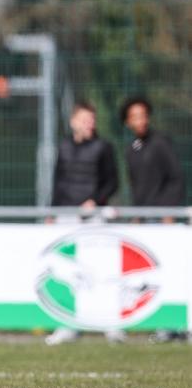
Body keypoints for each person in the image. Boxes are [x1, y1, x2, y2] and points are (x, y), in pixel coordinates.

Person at [45, 101, 122, 346]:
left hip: (94, 216)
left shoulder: (104, 147)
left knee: (100, 268)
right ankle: (68, 324)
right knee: (71, 271)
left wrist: (95, 201)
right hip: (66, 215)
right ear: (73, 121)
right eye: (85, 119)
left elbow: (113, 182)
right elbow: (58, 180)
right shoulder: (65, 146)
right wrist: (52, 211)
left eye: (93, 120)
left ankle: (111, 325)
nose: (90, 124)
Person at [121, 96, 188, 343]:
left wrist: (170, 212)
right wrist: (136, 215)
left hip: (163, 219)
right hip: (144, 217)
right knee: (150, 275)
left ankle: (174, 325)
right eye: (134, 117)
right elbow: (135, 186)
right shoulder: (132, 149)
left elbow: (176, 178)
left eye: (143, 115)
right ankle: (161, 324)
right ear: (127, 122)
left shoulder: (160, 143)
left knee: (169, 271)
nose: (139, 121)